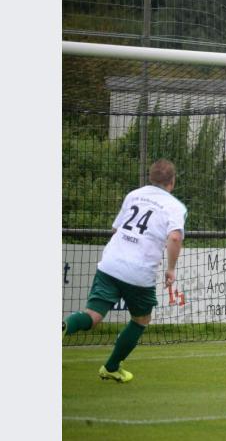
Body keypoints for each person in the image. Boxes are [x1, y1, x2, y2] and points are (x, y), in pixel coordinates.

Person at [62, 159, 187, 383]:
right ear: (172, 181)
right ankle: (111, 366)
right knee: (141, 320)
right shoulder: (175, 206)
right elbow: (175, 237)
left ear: (151, 177)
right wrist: (170, 269)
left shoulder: (134, 195)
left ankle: (64, 326)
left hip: (110, 263)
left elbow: (116, 229)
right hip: (139, 272)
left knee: (92, 315)